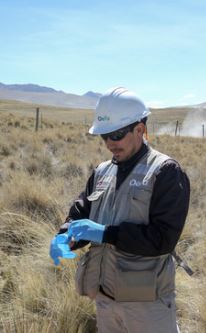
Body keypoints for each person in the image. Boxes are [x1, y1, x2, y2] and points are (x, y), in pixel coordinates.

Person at [49, 87, 190, 333]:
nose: (109, 144)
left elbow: (163, 240)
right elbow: (81, 211)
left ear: (140, 129)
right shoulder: (102, 171)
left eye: (116, 135)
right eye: (104, 136)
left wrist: (106, 234)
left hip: (147, 305)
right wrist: (64, 235)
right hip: (105, 300)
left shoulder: (165, 172)